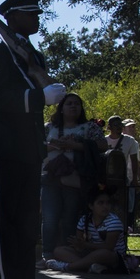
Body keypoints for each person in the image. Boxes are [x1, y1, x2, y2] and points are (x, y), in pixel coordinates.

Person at [0, 0, 66, 279]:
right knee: (6, 217)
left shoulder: (33, 56)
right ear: (13, 17)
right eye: (30, 14)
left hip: (30, 145)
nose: (36, 18)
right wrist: (40, 98)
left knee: (28, 218)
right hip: (5, 144)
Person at [38, 92, 106, 267]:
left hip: (74, 179)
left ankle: (66, 253)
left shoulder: (89, 127)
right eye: (69, 103)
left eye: (77, 103)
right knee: (50, 218)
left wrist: (74, 145)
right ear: (61, 108)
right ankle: (46, 254)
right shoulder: (48, 127)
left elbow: (102, 145)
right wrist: (54, 144)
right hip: (50, 177)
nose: (73, 106)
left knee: (70, 217)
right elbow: (35, 146)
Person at [46, 187, 128, 274]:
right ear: (91, 206)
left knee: (103, 253)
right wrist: (79, 245)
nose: (105, 206)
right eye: (100, 203)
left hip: (111, 256)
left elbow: (109, 246)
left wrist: (86, 245)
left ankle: (67, 267)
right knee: (59, 250)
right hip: (89, 253)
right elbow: (80, 242)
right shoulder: (84, 220)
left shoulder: (114, 221)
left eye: (107, 203)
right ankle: (91, 267)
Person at [105, 115, 140, 229]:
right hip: (106, 178)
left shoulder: (130, 141)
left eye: (120, 125)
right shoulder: (103, 141)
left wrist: (135, 179)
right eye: (116, 125)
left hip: (122, 178)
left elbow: (134, 161)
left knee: (123, 206)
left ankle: (122, 229)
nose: (119, 127)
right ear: (109, 127)